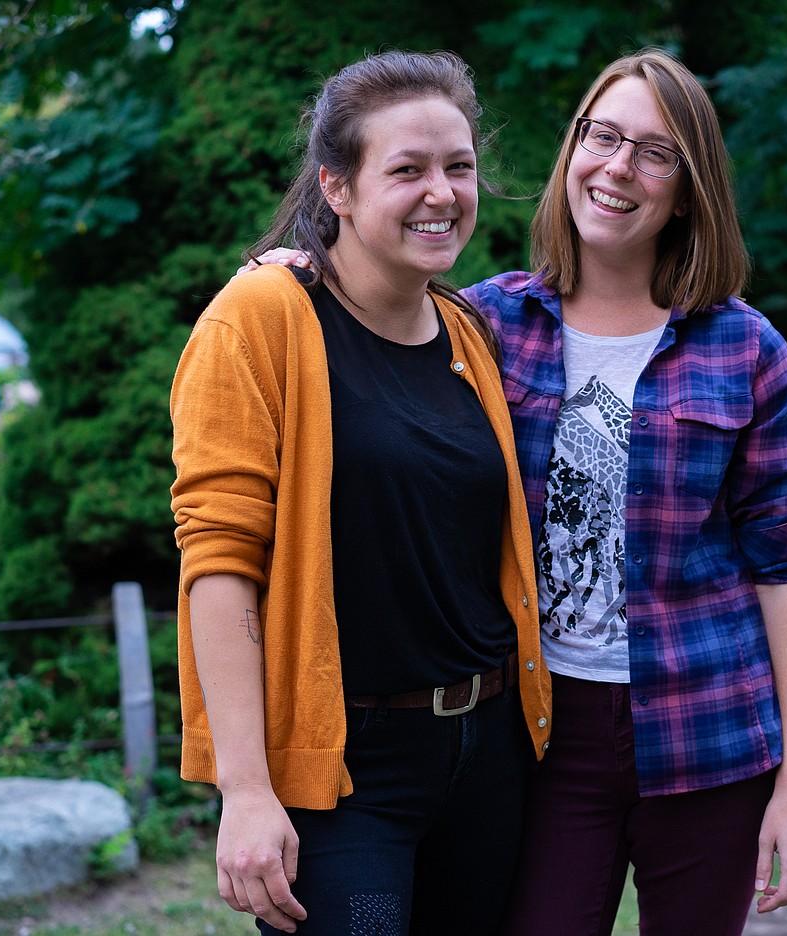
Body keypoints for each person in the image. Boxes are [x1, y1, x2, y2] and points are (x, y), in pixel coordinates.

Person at [247, 46, 787, 935]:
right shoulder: (487, 324)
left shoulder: (746, 352)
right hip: (543, 729)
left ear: (689, 185)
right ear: (573, 151)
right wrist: (295, 278)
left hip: (709, 732)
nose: (619, 167)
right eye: (603, 136)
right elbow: (374, 326)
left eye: (656, 152)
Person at [171, 50, 550, 936]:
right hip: (346, 771)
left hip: (489, 751)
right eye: (407, 170)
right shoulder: (260, 318)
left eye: (459, 167)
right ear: (336, 189)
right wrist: (247, 788)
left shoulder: (470, 330)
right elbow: (219, 563)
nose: (443, 192)